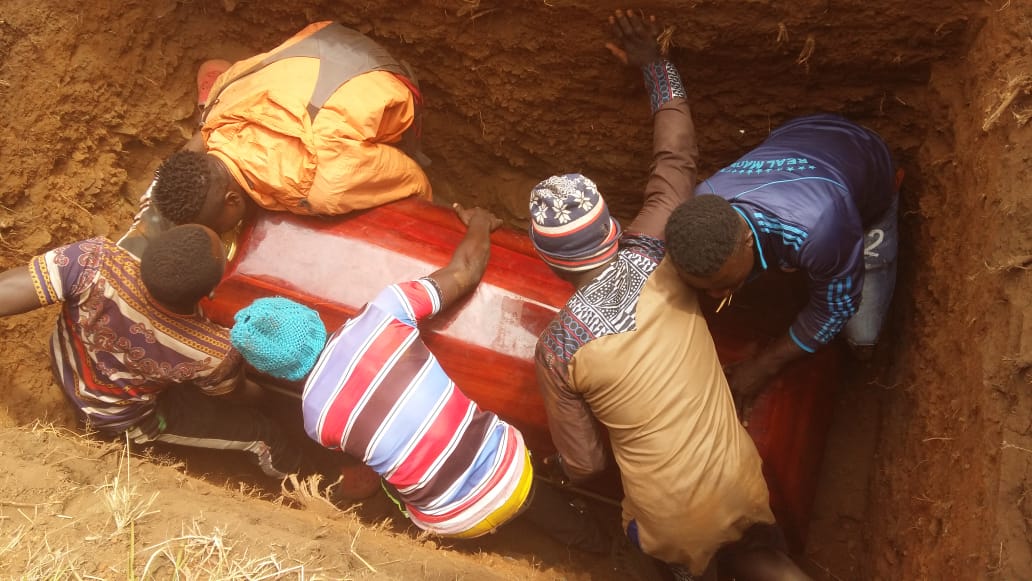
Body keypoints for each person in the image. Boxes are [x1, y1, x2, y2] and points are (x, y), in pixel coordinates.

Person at [530, 10, 810, 580]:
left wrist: (560, 459)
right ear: (611, 226)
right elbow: (677, 155)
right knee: (761, 557)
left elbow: (585, 466)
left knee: (664, 553)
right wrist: (655, 65)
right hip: (740, 476)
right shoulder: (657, 246)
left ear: (550, 262)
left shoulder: (559, 350)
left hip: (668, 521)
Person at [228, 203, 607, 552]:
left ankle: (466, 548)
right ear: (309, 315)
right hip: (514, 475)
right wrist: (479, 223)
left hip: (454, 523)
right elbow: (465, 271)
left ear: (273, 371)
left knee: (391, 483)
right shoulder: (385, 314)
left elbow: (369, 468)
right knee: (517, 483)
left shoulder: (317, 422)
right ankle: (595, 542)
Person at [0, 224, 298, 478]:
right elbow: (239, 395)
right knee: (265, 433)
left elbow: (10, 289)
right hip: (118, 418)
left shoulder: (92, 260)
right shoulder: (213, 352)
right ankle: (295, 476)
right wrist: (274, 402)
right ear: (210, 293)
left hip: (66, 364)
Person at [118, 21, 432, 257]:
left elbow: (414, 180)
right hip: (320, 39)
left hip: (384, 75)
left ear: (232, 201)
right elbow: (201, 141)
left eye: (214, 226)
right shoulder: (221, 101)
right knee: (213, 115)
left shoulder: (323, 185)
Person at [665, 114, 901, 410]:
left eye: (723, 283)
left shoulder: (819, 228)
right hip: (797, 136)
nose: (717, 296)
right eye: (707, 288)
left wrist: (764, 365)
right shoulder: (699, 209)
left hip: (866, 164)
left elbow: (836, 308)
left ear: (747, 240)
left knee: (863, 334)